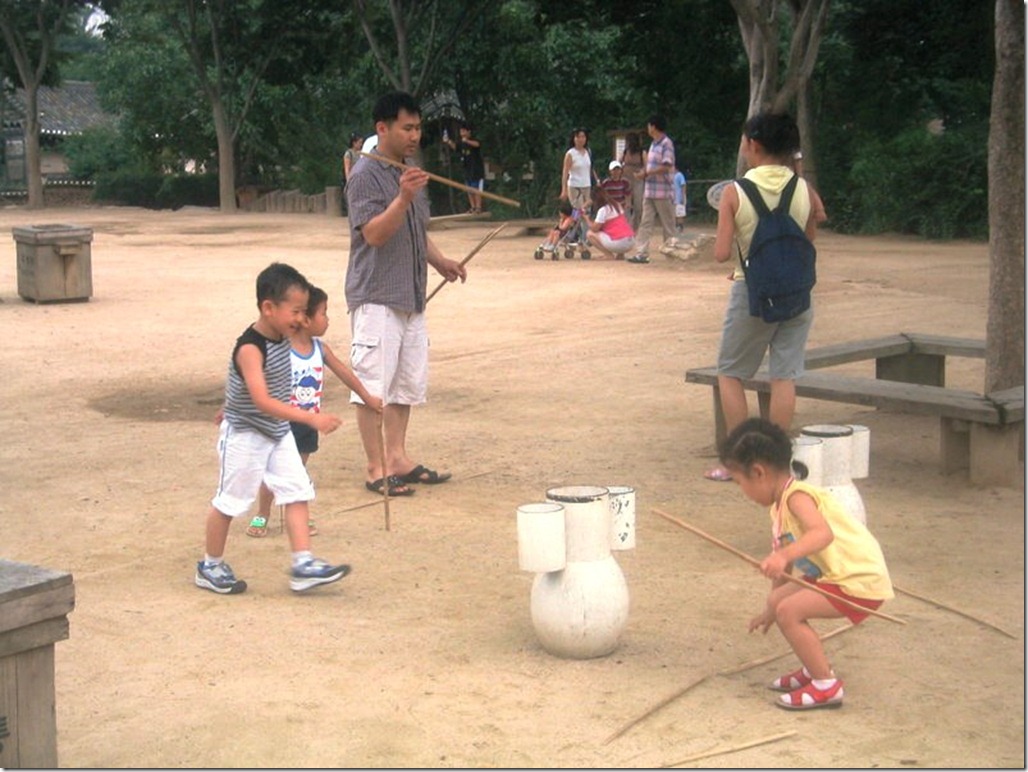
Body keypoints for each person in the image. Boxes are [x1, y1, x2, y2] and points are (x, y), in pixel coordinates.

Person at [195, 262, 351, 595]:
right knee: (231, 502)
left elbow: (267, 387)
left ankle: (303, 563)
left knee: (297, 491)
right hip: (246, 436)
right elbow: (262, 398)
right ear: (268, 308)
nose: (301, 319)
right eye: (296, 311)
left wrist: (233, 400)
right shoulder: (251, 348)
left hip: (277, 433)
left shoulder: (283, 337)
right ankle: (210, 564)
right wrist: (310, 418)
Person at [719, 417, 894, 710]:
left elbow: (821, 534)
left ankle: (826, 685)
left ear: (759, 473)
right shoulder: (778, 507)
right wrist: (769, 608)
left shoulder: (797, 496)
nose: (742, 492)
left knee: (790, 611)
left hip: (856, 579)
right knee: (780, 602)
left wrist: (783, 558)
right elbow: (784, 569)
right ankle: (813, 667)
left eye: (740, 482)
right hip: (836, 575)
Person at [345, 91, 467, 497]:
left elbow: (417, 231)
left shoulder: (410, 168)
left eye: (418, 128)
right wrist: (402, 197)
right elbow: (375, 234)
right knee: (372, 384)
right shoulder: (364, 174)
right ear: (383, 128)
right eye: (408, 127)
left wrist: (441, 262)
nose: (415, 135)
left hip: (411, 294)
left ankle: (397, 457)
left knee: (405, 383)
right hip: (377, 294)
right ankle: (375, 466)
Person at [705, 112, 820, 482]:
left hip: (752, 291)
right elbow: (810, 234)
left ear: (753, 144)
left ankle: (740, 460)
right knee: (785, 375)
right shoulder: (803, 188)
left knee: (731, 372)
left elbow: (722, 252)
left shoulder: (734, 192)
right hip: (798, 290)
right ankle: (776, 461)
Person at [246, 285, 383, 538]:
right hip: (280, 421)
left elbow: (345, 374)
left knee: (298, 472)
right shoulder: (280, 349)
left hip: (308, 424)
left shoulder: (321, 349)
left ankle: (298, 515)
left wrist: (368, 398)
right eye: (324, 313)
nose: (328, 319)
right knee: (272, 472)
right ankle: (262, 513)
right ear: (306, 319)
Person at [627, 114, 677, 264]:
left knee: (668, 224)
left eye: (649, 125)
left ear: (653, 126)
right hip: (650, 190)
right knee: (645, 221)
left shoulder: (666, 144)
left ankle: (672, 253)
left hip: (663, 191)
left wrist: (647, 173)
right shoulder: (654, 144)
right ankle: (641, 253)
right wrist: (645, 174)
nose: (648, 128)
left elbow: (667, 166)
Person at [560, 127, 600, 243]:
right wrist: (564, 190)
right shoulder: (570, 154)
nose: (581, 139)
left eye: (583, 137)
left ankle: (583, 237)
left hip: (586, 186)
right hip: (574, 186)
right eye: (578, 137)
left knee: (586, 212)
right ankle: (575, 236)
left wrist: (596, 180)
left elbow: (591, 168)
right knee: (578, 212)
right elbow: (565, 172)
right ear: (574, 138)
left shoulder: (588, 151)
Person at [443, 121, 486, 213]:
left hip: (476, 170)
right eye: (461, 131)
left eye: (463, 131)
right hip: (467, 169)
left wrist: (467, 141)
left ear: (468, 132)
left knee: (476, 189)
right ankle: (473, 207)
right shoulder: (461, 142)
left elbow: (478, 144)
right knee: (469, 189)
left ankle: (478, 207)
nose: (461, 133)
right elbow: (456, 148)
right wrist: (449, 142)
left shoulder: (473, 139)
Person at [583, 185, 635, 260]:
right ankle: (620, 255)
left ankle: (608, 255)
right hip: (630, 241)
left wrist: (586, 218)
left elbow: (594, 229)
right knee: (618, 228)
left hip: (619, 243)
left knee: (590, 234)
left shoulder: (603, 210)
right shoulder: (617, 205)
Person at [620, 131, 646, 231]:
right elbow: (619, 162)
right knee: (626, 205)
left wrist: (642, 173)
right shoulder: (625, 152)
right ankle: (627, 226)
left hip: (637, 180)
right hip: (625, 180)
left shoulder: (642, 152)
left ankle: (635, 227)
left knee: (638, 206)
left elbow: (646, 166)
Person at [673, 165, 688, 232]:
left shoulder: (679, 175)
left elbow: (683, 185)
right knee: (674, 212)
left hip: (678, 197)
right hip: (672, 197)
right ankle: (675, 225)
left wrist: (683, 196)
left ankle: (680, 226)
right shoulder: (671, 176)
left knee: (679, 212)